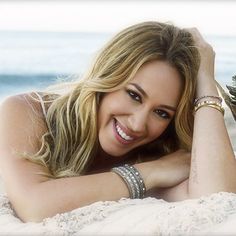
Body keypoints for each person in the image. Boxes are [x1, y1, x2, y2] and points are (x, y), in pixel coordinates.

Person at [0, 21, 235, 223]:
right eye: (134, 95)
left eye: (162, 113)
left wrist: (205, 80)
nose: (137, 124)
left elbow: (216, 198)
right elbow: (34, 206)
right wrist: (152, 172)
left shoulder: (160, 149)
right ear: (107, 77)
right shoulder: (29, 111)